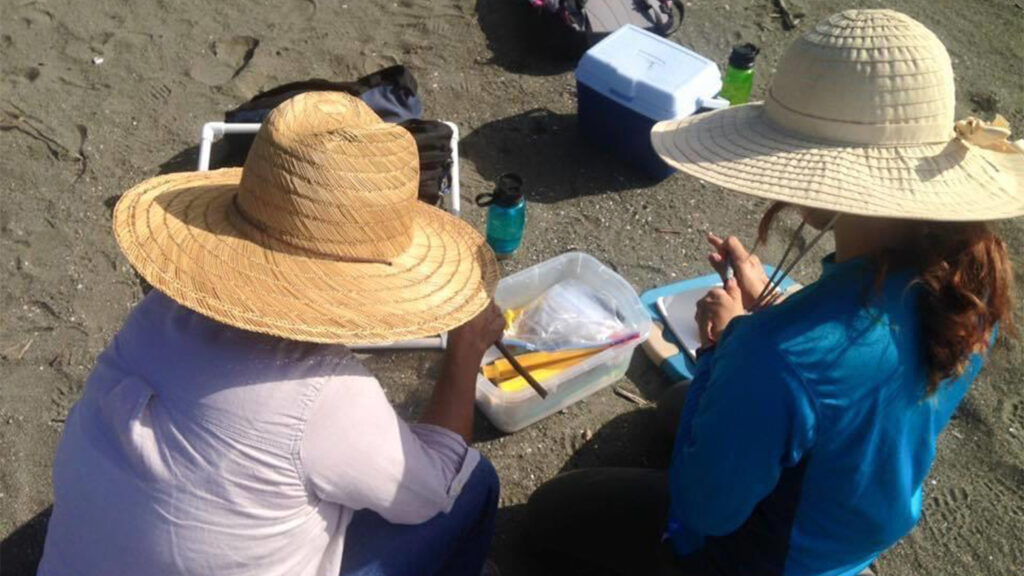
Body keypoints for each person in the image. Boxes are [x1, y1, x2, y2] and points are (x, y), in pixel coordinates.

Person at [527, 9, 1022, 576]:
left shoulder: (774, 355)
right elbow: (858, 370)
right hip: (849, 523)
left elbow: (706, 511)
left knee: (550, 514)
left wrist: (730, 342)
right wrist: (767, 313)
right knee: (674, 408)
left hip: (766, 559)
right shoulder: (967, 287)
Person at [37, 92, 506, 576]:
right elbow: (432, 488)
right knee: (474, 485)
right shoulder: (325, 393)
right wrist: (465, 351)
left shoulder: (157, 313)